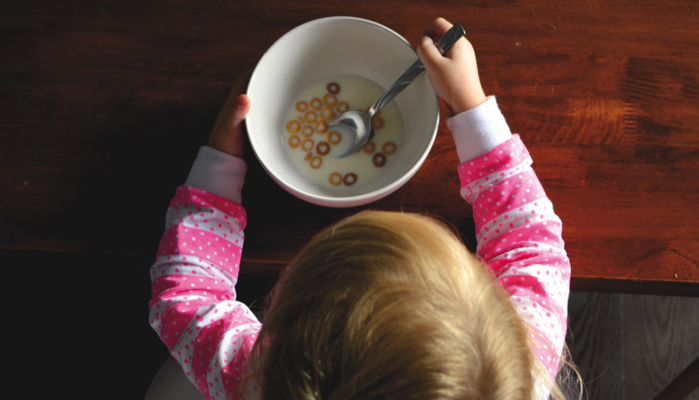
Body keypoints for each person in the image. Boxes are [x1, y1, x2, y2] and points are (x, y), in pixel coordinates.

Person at [148, 17, 582, 400]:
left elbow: (187, 298)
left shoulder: (255, 378)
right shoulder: (519, 368)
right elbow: (530, 244)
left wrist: (220, 161)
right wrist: (470, 104)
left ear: (284, 330)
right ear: (496, 313)